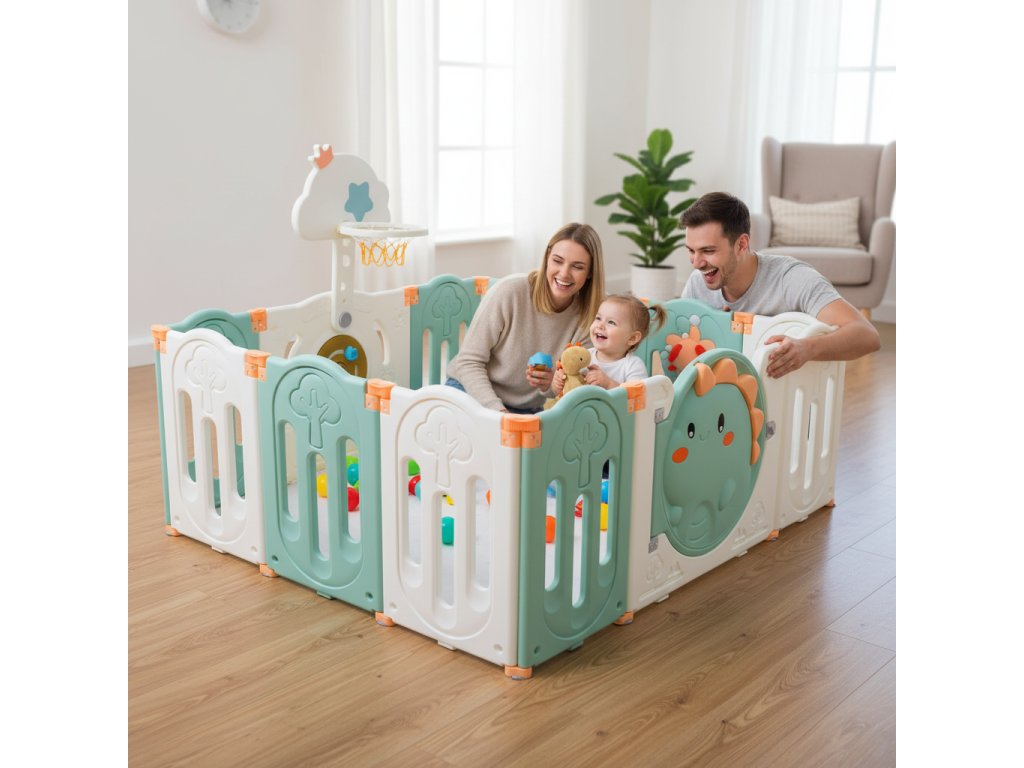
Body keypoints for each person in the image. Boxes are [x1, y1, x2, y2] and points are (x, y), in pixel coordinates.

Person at [679, 192, 880, 379]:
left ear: (741, 245)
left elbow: (867, 335)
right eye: (691, 251)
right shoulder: (698, 283)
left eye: (708, 251)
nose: (696, 263)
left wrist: (807, 348)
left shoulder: (792, 279)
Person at [445, 222, 605, 412]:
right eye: (557, 261)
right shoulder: (510, 292)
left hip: (527, 410)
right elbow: (468, 361)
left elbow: (568, 386)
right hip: (470, 392)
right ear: (547, 258)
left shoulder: (592, 317)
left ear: (590, 272)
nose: (564, 273)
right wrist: (499, 413)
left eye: (577, 267)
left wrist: (549, 384)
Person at [552, 294, 666, 395]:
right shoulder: (585, 357)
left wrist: (609, 384)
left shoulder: (632, 366)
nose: (600, 325)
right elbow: (565, 393)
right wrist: (558, 384)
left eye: (611, 322)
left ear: (632, 338)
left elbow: (635, 398)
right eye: (598, 318)